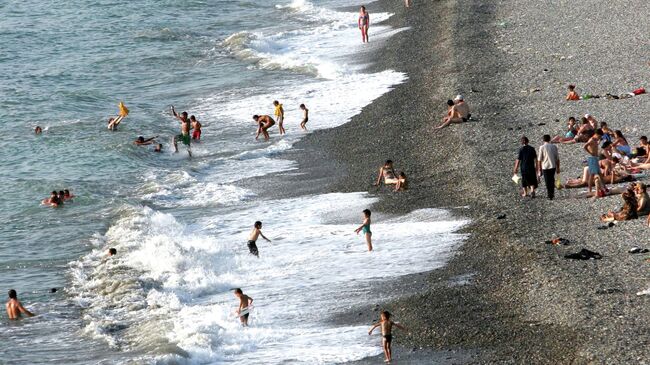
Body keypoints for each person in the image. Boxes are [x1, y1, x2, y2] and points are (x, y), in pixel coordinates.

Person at [537, 135, 560, 200]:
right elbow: (557, 158)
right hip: (553, 165)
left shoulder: (542, 147)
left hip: (545, 166)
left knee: (547, 181)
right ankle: (552, 193)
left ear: (543, 140)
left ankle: (549, 194)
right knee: (552, 179)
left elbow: (539, 159)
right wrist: (558, 167)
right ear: (549, 139)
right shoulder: (554, 147)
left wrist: (539, 169)